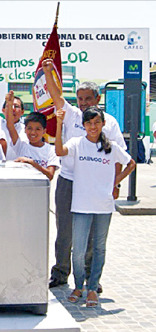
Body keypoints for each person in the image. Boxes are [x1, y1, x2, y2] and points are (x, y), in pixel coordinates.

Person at [42, 58, 127, 290]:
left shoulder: (109, 123)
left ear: (98, 99)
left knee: (91, 235)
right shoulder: (69, 114)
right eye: (80, 98)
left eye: (88, 98)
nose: (83, 102)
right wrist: (48, 71)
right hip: (68, 182)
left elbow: (119, 158)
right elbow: (55, 94)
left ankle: (91, 278)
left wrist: (115, 184)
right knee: (65, 230)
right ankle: (60, 273)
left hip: (94, 186)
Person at [55, 107, 135, 307]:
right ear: (83, 125)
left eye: (96, 122)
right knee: (79, 250)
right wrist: (58, 124)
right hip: (81, 205)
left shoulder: (111, 146)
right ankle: (78, 286)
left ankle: (92, 287)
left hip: (104, 206)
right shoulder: (77, 143)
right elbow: (59, 151)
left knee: (99, 248)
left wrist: (115, 182)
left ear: (103, 124)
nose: (93, 126)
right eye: (89, 123)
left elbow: (130, 163)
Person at [5, 91, 60, 180]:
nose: (33, 133)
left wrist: (31, 163)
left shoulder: (51, 150)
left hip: (41, 191)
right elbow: (10, 126)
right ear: (25, 129)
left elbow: (50, 175)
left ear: (44, 131)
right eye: (29, 128)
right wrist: (9, 104)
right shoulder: (21, 145)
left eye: (37, 129)